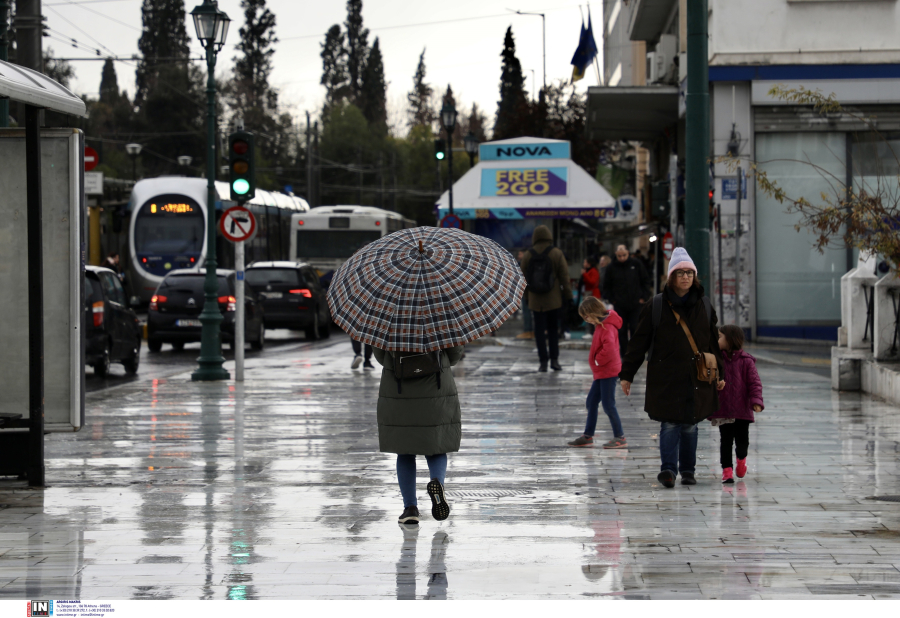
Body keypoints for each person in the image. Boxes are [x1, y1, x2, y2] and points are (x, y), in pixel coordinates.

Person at [618, 247, 723, 488]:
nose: (685, 277)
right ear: (671, 277)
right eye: (680, 272)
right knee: (670, 423)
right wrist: (627, 374)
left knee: (690, 424)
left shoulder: (705, 306)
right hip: (665, 375)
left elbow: (713, 344)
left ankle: (688, 470)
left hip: (695, 376)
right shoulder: (656, 305)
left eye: (689, 272)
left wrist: (721, 374)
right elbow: (639, 342)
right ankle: (668, 470)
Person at [373, 345, 465, 525]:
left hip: (398, 387)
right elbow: (454, 356)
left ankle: (410, 509)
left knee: (404, 449)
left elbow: (380, 355)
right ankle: (437, 481)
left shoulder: (389, 319)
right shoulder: (440, 317)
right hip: (435, 386)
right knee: (437, 444)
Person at [567, 297, 627, 449]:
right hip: (602, 372)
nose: (586, 320)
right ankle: (588, 436)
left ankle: (620, 436)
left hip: (608, 371)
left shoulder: (606, 327)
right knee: (592, 402)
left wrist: (598, 361)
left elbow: (610, 350)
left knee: (608, 405)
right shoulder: (601, 325)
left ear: (592, 313)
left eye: (586, 317)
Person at [710, 325, 764, 484]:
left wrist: (756, 402)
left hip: (742, 410)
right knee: (725, 440)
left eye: (720, 336)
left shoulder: (746, 361)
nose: (717, 339)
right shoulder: (716, 359)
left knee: (742, 441)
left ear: (730, 339)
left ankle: (741, 461)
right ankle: (727, 471)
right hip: (724, 408)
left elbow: (755, 383)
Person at [520, 225, 572, 372]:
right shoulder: (556, 253)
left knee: (539, 331)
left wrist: (527, 297)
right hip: (554, 300)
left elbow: (522, 278)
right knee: (553, 330)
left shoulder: (528, 255)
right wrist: (568, 296)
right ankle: (554, 360)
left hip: (535, 300)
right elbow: (564, 277)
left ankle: (543, 361)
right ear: (549, 236)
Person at [602, 244, 651, 357]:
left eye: (624, 255)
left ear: (628, 253)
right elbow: (606, 285)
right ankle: (624, 354)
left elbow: (645, 280)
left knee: (635, 328)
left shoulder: (636, 264)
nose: (622, 258)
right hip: (619, 304)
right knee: (621, 330)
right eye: (620, 256)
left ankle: (635, 353)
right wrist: (612, 299)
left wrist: (643, 297)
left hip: (635, 303)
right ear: (616, 255)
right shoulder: (611, 267)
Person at [515, 249, 534, 340]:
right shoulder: (530, 261)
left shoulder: (524, 263)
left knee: (527, 311)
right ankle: (530, 330)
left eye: (520, 253)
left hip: (526, 289)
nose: (519, 255)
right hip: (531, 288)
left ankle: (528, 330)